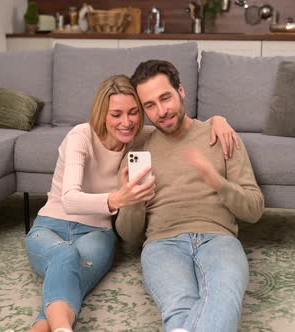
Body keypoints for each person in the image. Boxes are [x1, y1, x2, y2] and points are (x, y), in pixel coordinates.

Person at [25, 74, 240, 332]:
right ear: (101, 112)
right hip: (51, 225)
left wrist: (218, 120)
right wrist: (119, 199)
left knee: (69, 274)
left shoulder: (138, 140)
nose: (126, 123)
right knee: (65, 255)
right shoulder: (80, 136)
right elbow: (69, 199)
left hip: (97, 232)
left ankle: (43, 327)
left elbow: (182, 128)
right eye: (116, 114)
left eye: (133, 113)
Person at [116, 61, 265, 332]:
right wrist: (134, 199)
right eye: (150, 105)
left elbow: (254, 209)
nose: (161, 112)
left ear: (181, 91)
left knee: (223, 295)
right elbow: (127, 234)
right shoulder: (138, 149)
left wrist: (218, 183)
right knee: (178, 304)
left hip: (218, 239)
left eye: (165, 98)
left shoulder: (222, 135)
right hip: (162, 243)